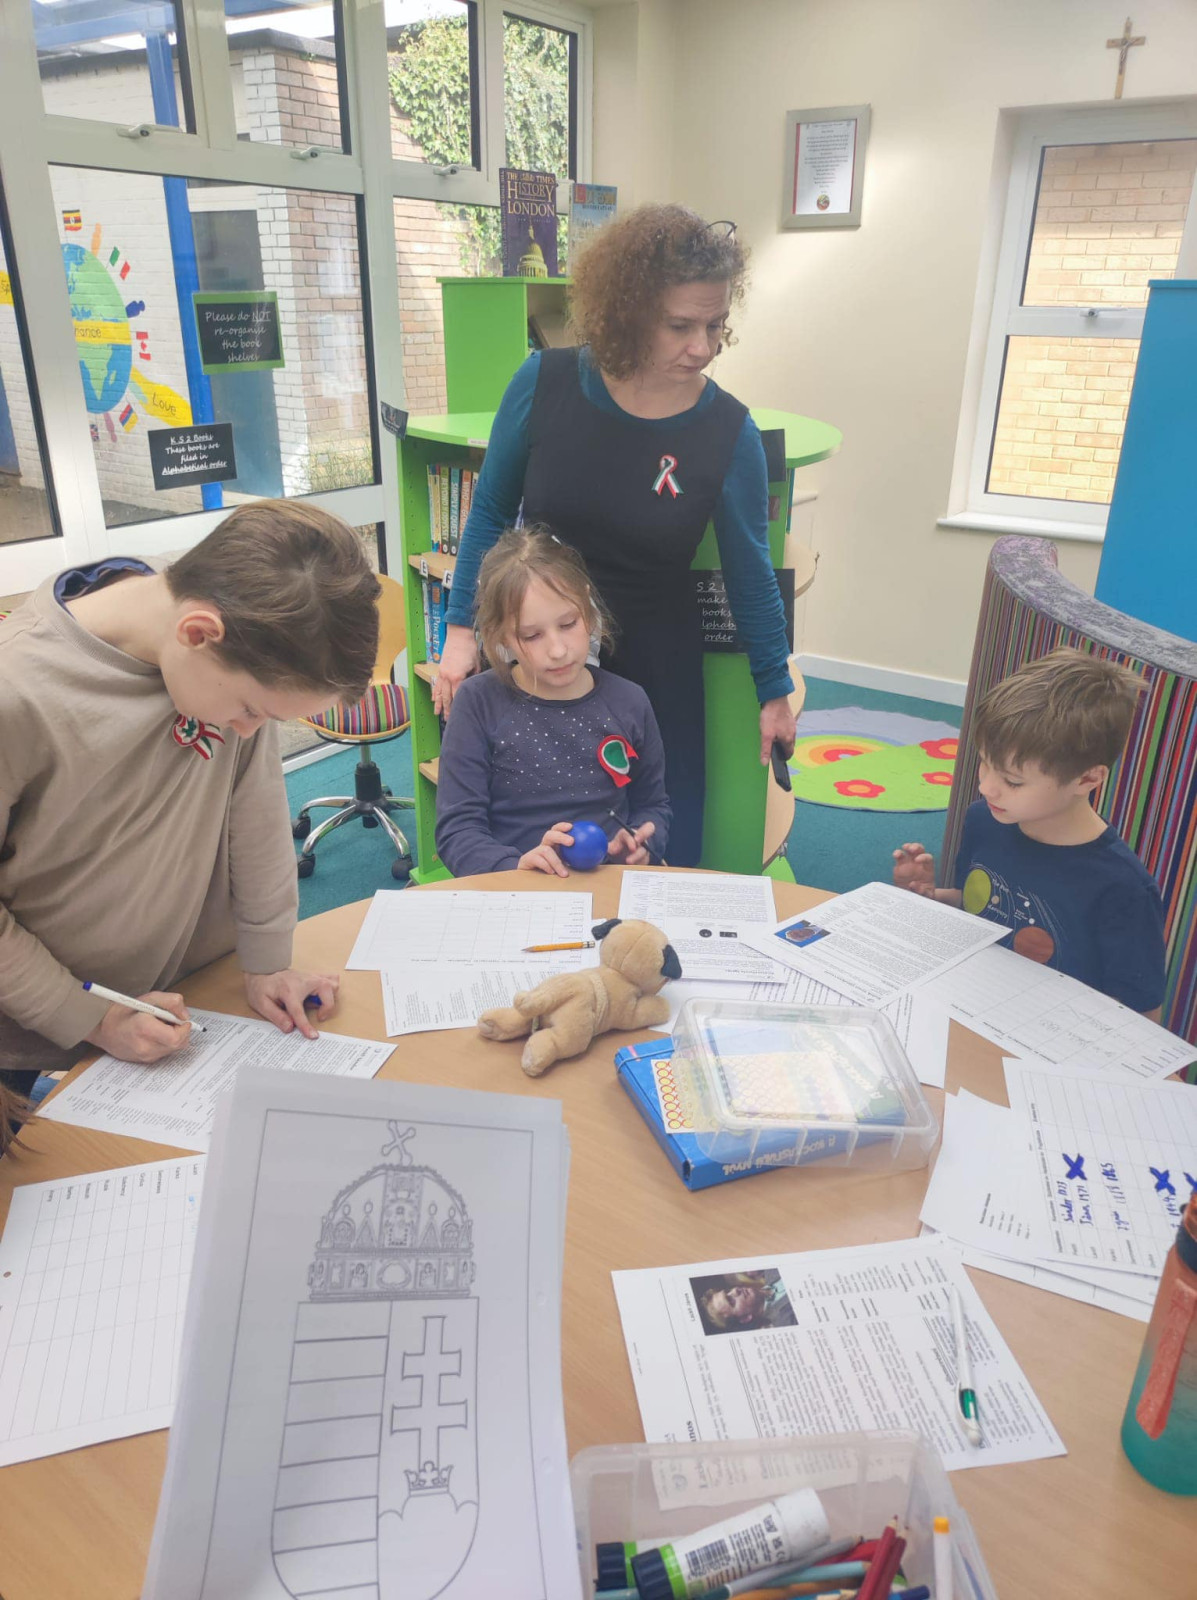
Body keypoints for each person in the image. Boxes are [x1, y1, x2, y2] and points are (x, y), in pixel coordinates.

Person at [432, 204, 795, 866]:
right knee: (530, 838)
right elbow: (489, 514)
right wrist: (460, 633)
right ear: (628, 312)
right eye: (680, 325)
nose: (703, 347)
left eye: (715, 325)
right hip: (540, 637)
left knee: (654, 844)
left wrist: (774, 690)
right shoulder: (543, 384)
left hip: (657, 662)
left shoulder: (728, 431)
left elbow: (750, 573)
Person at [0, 500, 381, 1098]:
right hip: (37, 1018)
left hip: (188, 1001)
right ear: (197, 634)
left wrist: (268, 964)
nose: (251, 732)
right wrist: (88, 1018)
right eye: (251, 710)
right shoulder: (15, 687)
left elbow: (256, 815)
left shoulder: (239, 640)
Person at [892, 648, 1166, 1015]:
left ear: (1087, 779)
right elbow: (979, 907)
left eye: (1013, 781)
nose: (986, 787)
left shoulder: (1123, 887)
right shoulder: (984, 820)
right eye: (984, 763)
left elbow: (1143, 1011)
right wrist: (931, 896)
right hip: (968, 1001)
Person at [435, 527, 671, 877]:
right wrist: (514, 865)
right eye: (531, 635)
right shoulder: (477, 702)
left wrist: (644, 841)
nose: (558, 650)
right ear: (500, 636)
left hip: (609, 885)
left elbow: (653, 806)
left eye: (569, 623)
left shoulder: (630, 701)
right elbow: (457, 832)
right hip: (516, 889)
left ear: (587, 608)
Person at [699, 1272, 795, 1333]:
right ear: (745, 1318)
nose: (735, 1290)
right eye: (731, 1301)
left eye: (728, 1291)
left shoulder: (771, 1271)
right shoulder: (787, 1322)